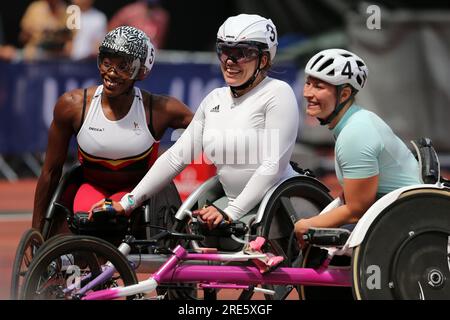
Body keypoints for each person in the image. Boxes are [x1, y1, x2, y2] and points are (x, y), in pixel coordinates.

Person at [90, 14, 299, 230]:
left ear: (263, 60)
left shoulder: (277, 93)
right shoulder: (214, 99)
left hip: (279, 209)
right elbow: (175, 158)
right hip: (229, 208)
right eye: (224, 51)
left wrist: (230, 213)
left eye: (241, 54)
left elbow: (273, 165)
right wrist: (128, 203)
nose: (229, 61)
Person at [32, 26, 193, 232]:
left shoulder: (160, 110)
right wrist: (36, 230)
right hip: (91, 187)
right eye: (106, 62)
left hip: (135, 194)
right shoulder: (72, 106)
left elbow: (209, 129)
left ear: (141, 71)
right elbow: (50, 172)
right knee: (86, 222)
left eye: (123, 66)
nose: (111, 72)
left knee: (111, 221)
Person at [294, 48, 421, 246]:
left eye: (318, 86)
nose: (307, 93)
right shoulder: (358, 119)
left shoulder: (355, 133)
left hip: (407, 228)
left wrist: (305, 225)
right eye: (308, 83)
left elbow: (356, 210)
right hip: (402, 216)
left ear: (344, 93)